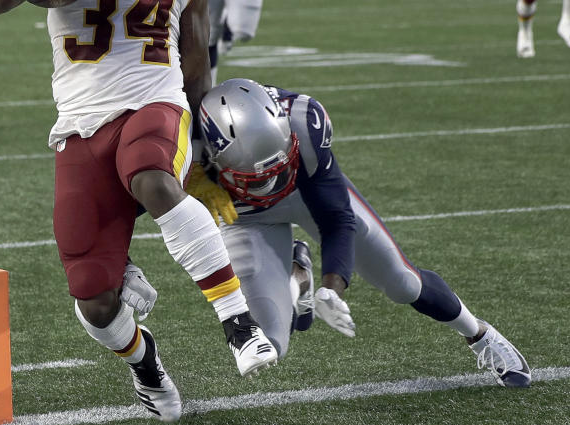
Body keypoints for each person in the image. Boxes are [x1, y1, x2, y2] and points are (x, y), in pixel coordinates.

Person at [0, 0, 277, 423]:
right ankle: (146, 363)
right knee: (94, 297)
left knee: (149, 174)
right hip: (81, 122)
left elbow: (194, 43)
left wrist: (205, 148)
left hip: (155, 97)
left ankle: (239, 325)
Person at [188, 78, 531, 388]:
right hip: (245, 217)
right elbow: (141, 194)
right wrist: (189, 181)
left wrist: (332, 289)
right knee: (266, 344)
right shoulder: (188, 148)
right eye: (258, 178)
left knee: (403, 282)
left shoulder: (304, 122)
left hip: (305, 194)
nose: (269, 183)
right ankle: (297, 276)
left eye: (276, 168)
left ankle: (480, 334)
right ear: (214, 158)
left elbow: (337, 217)